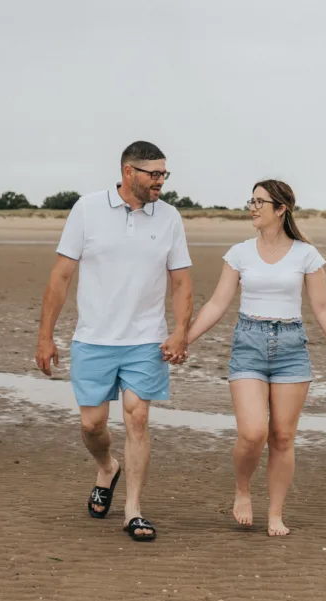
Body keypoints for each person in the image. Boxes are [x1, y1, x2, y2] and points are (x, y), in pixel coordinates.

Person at [36, 141, 193, 542]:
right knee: (92, 425)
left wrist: (179, 331)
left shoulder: (170, 217)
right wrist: (45, 336)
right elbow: (60, 276)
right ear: (128, 172)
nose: (160, 181)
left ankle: (133, 511)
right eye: (153, 174)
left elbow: (181, 282)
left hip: (145, 339)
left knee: (137, 418)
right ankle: (107, 466)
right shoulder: (86, 209)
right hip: (94, 338)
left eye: (164, 174)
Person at [186, 179, 326, 536]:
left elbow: (322, 307)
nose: (253, 207)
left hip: (291, 348)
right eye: (251, 200)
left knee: (282, 437)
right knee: (252, 433)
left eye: (261, 202)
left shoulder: (305, 255)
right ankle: (242, 490)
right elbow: (217, 303)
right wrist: (183, 339)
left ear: (281, 209)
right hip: (249, 343)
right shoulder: (240, 253)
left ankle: (275, 513)